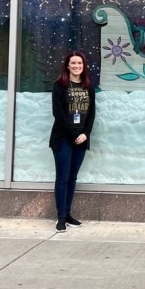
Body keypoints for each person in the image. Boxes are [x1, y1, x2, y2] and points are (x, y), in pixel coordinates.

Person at [49, 50, 96, 233]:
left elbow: (92, 113)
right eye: (73, 63)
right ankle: (60, 218)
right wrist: (73, 135)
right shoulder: (59, 85)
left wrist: (86, 133)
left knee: (72, 178)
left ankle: (68, 214)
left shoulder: (88, 86)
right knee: (62, 178)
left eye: (80, 63)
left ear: (84, 66)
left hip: (82, 139)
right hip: (63, 139)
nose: (77, 66)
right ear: (67, 66)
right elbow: (58, 114)